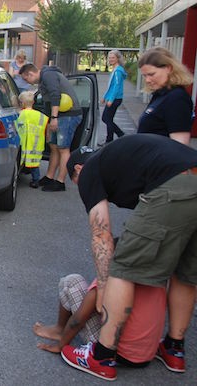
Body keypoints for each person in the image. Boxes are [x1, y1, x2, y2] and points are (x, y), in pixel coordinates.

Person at [61, 134, 197, 381]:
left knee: (123, 268)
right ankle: (174, 348)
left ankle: (101, 356)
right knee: (186, 271)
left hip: (173, 184)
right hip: (190, 172)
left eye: (75, 180)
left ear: (78, 168)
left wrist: (103, 286)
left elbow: (101, 234)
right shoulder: (121, 160)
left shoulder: (89, 171)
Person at [34, 273, 166, 368]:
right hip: (145, 354)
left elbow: (78, 320)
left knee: (71, 281)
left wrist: (60, 346)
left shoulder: (115, 278)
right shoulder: (159, 278)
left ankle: (60, 330)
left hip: (112, 351)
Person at [19, 63, 81, 192]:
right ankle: (49, 176)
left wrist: (53, 118)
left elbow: (55, 96)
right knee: (53, 146)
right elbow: (47, 103)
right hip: (59, 115)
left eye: (26, 79)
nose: (28, 83)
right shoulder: (43, 80)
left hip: (67, 115)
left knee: (63, 148)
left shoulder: (48, 75)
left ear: (30, 74)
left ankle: (60, 181)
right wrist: (48, 124)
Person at [137, 47, 194, 146]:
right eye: (145, 76)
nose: (147, 80)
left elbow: (180, 145)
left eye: (151, 74)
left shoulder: (177, 98)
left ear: (169, 68)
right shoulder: (160, 95)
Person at [15, 90, 47, 188]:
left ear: (22, 103)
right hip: (37, 143)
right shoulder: (41, 116)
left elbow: (17, 126)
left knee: (21, 159)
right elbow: (45, 128)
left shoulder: (21, 114)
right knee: (35, 164)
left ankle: (21, 173)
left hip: (24, 142)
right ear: (33, 102)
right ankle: (35, 180)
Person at [100, 50, 127, 145]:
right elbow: (111, 86)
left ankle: (118, 135)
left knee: (106, 118)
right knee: (108, 119)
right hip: (112, 97)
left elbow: (116, 86)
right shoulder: (115, 70)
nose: (110, 59)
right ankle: (111, 138)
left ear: (118, 59)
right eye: (109, 58)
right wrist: (105, 97)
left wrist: (111, 99)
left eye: (113, 58)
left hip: (115, 99)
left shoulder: (118, 71)